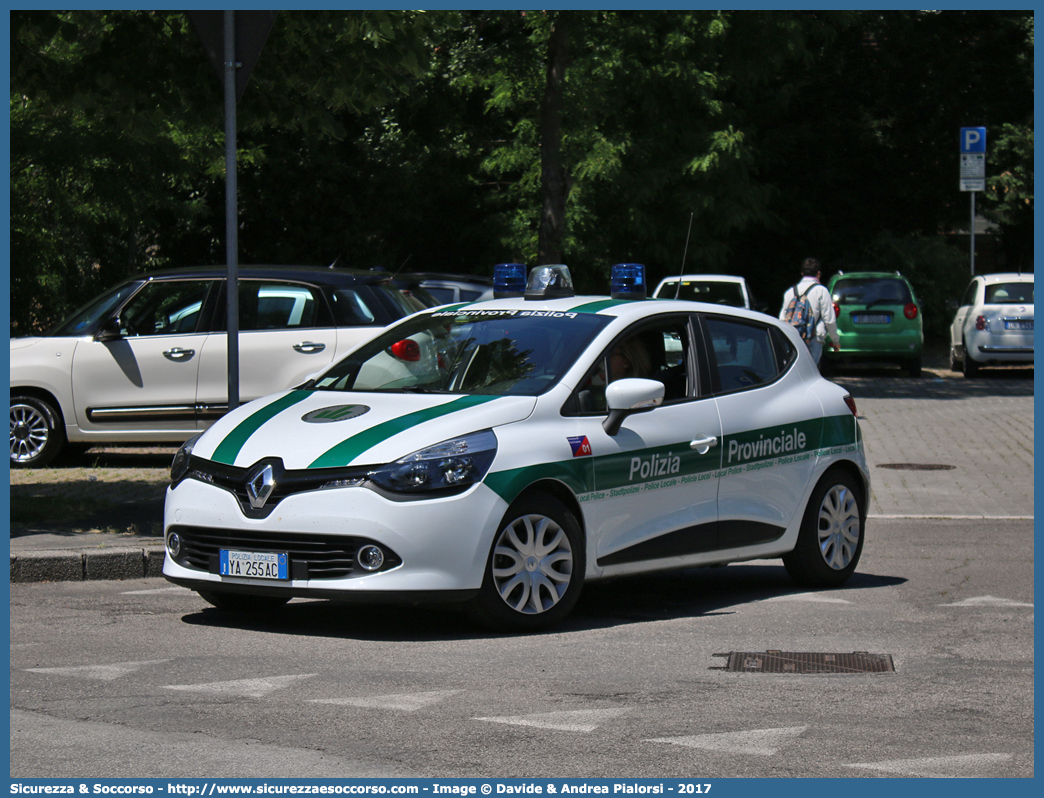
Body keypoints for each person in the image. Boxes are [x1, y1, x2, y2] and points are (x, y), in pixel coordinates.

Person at [779, 257, 840, 366]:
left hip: (793, 340)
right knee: (810, 375)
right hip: (814, 338)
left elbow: (782, 319)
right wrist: (835, 341)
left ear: (802, 273)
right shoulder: (821, 291)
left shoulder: (790, 292)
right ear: (818, 274)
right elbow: (829, 320)